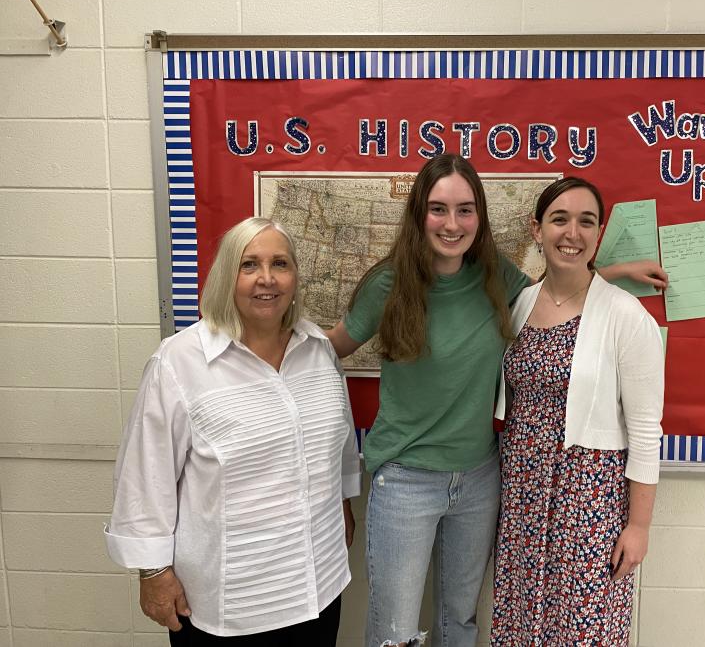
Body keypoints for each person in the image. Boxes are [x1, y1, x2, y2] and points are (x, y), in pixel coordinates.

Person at [327, 155, 666, 647]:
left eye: (465, 210)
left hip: (482, 479)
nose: (452, 223)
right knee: (395, 632)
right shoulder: (389, 284)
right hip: (406, 479)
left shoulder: (495, 278)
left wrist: (613, 272)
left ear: (479, 218)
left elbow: (565, 290)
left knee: (459, 621)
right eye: (438, 209)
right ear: (418, 212)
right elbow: (325, 353)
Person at [104, 217, 360, 645]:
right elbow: (145, 477)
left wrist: (344, 503)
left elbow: (337, 440)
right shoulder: (179, 362)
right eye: (249, 265)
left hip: (320, 583)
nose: (266, 279)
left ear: (295, 276)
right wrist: (153, 572)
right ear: (227, 276)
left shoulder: (317, 351)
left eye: (279, 263)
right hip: (231, 605)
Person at [491, 177, 665, 646]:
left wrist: (639, 526)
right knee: (521, 625)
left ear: (599, 231)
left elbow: (648, 428)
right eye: (559, 219)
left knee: (582, 629)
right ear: (536, 230)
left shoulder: (627, 317)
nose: (572, 233)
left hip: (588, 502)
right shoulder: (522, 303)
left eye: (586, 221)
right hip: (523, 496)